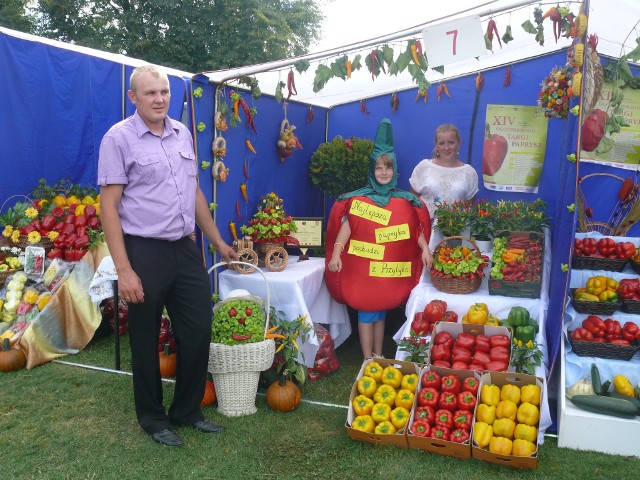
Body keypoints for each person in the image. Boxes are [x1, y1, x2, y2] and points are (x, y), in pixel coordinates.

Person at [97, 64, 237, 448]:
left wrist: (218, 242)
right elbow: (108, 207)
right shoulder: (118, 139)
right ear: (133, 98)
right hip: (144, 250)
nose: (159, 99)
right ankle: (153, 419)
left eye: (164, 92)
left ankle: (187, 410)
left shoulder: (182, 134)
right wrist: (124, 270)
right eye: (150, 93)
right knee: (144, 338)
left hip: (184, 246)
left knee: (197, 331)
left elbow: (194, 194)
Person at [325, 119, 432, 359]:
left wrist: (425, 248)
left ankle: (378, 353)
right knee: (366, 313)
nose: (384, 173)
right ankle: (366, 356)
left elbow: (414, 230)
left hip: (385, 277)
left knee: (381, 313)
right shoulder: (359, 201)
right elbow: (347, 228)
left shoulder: (404, 202)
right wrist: (336, 253)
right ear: (372, 170)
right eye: (379, 168)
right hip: (364, 274)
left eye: (388, 168)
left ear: (394, 171)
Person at [409, 124, 479, 247]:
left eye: (451, 142)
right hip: (424, 236)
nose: (446, 148)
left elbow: (468, 207)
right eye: (441, 143)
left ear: (459, 143)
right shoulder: (424, 167)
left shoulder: (469, 173)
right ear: (436, 144)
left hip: (454, 237)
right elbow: (412, 202)